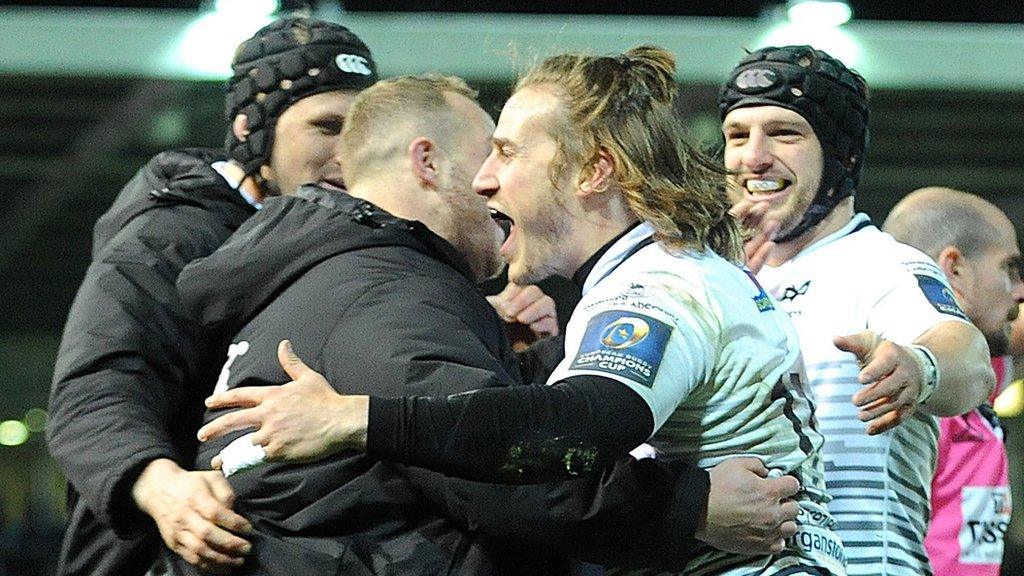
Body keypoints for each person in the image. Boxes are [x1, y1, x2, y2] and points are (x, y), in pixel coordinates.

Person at [199, 47, 844, 575]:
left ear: (593, 170)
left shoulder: (657, 286)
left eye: (506, 152)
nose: (483, 179)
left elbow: (572, 434)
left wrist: (358, 419)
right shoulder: (655, 274)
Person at [45, 17, 378, 575]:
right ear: (252, 131)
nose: (350, 152)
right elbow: (94, 392)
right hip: (154, 556)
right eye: (326, 126)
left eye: (365, 130)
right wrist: (161, 487)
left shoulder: (327, 243)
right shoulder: (169, 239)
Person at [719, 46, 995, 575]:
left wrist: (920, 367)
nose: (753, 157)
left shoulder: (878, 264)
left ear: (841, 156)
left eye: (784, 133)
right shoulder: (716, 277)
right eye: (737, 135)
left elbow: (969, 359)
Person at [883, 186, 1022, 576]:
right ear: (954, 271)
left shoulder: (982, 365)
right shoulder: (900, 383)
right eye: (1008, 269)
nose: (1019, 290)